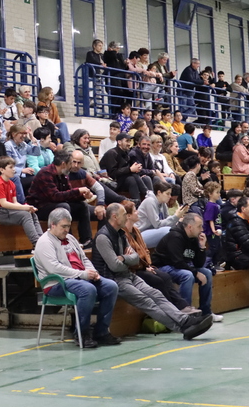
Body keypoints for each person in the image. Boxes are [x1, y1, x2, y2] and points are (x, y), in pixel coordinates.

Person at [93, 203, 214, 340]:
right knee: (146, 301)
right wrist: (127, 260)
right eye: (124, 214)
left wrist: (124, 259)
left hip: (128, 275)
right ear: (115, 217)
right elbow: (115, 266)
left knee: (156, 294)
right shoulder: (103, 237)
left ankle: (185, 321)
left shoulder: (121, 234)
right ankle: (183, 327)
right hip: (114, 279)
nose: (127, 217)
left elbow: (136, 258)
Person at [33, 207, 119, 349]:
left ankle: (101, 332)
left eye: (68, 226)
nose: (67, 230)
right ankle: (82, 334)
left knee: (111, 287)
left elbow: (83, 259)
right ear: (52, 225)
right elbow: (54, 268)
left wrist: (93, 271)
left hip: (78, 278)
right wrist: (83, 274)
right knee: (88, 290)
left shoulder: (70, 239)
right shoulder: (44, 243)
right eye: (63, 226)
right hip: (56, 283)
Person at [154, 212, 226, 322]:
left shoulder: (193, 238)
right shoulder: (175, 237)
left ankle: (206, 312)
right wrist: (196, 273)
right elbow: (177, 262)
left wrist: (202, 247)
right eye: (199, 226)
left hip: (179, 267)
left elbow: (198, 264)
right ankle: (185, 314)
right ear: (190, 227)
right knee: (188, 275)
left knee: (207, 272)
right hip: (162, 267)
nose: (202, 229)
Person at [26, 149, 94, 243]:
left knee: (82, 206)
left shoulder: (63, 174)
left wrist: (82, 196)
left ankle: (87, 240)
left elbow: (68, 194)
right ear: (63, 164)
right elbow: (55, 196)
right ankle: (67, 241)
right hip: (39, 208)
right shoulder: (45, 173)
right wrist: (77, 190)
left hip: (54, 205)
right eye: (70, 163)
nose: (72, 166)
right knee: (63, 207)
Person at [0, 156, 42, 244]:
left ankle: (42, 242)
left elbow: (15, 202)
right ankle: (36, 243)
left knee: (32, 214)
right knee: (25, 215)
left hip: (5, 210)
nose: (14, 170)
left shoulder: (11, 184)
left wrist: (28, 207)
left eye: (14, 167)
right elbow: (4, 204)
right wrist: (24, 208)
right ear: (2, 170)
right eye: (10, 167)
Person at [99, 132, 150, 203]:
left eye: (129, 141)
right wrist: (130, 169)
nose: (129, 144)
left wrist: (136, 170)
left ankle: (146, 199)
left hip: (122, 180)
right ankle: (144, 198)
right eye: (127, 141)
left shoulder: (127, 153)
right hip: (111, 182)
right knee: (131, 179)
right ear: (119, 142)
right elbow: (112, 173)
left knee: (145, 178)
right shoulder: (112, 153)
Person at [135, 182, 182, 248]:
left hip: (152, 231)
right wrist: (176, 216)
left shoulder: (163, 203)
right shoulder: (150, 201)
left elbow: (167, 219)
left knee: (178, 229)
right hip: (140, 234)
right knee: (168, 230)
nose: (170, 196)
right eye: (167, 194)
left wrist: (178, 221)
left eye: (170, 194)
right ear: (159, 192)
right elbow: (157, 225)